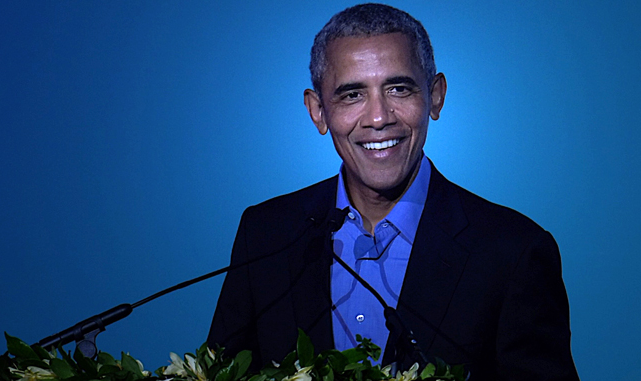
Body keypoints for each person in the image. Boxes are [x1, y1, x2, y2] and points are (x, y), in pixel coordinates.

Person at [208, 3, 579, 380]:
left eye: (399, 89)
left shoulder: (513, 251)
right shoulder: (266, 235)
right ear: (318, 111)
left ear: (435, 96)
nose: (379, 117)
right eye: (352, 95)